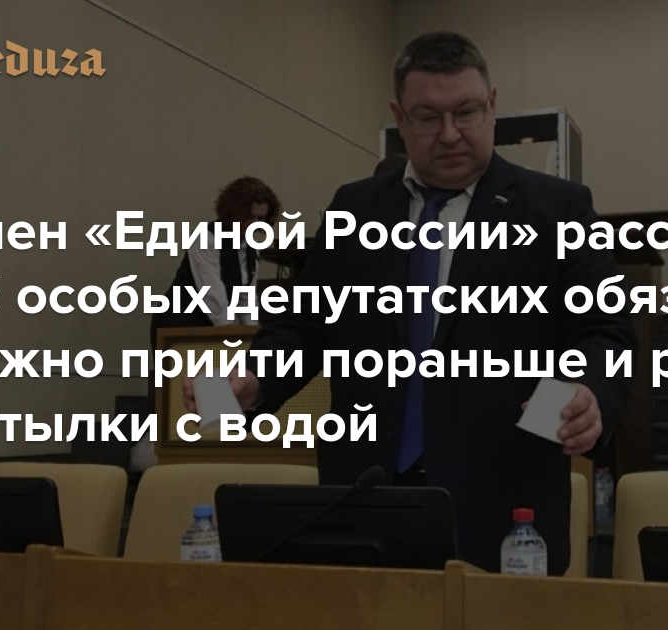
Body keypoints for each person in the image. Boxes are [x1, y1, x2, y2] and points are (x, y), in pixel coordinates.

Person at [183, 31, 636, 575]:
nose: (450, 134)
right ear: (399, 117)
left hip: (503, 508)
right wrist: (253, 378)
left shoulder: (555, 208)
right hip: (365, 497)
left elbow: (604, 331)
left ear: (492, 105)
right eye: (427, 117)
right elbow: (303, 326)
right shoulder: (354, 208)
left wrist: (590, 391)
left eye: (466, 112)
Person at [149, 176, 283, 348]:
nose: (255, 225)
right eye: (250, 217)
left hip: (211, 328)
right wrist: (229, 333)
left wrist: (253, 337)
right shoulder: (207, 239)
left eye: (260, 218)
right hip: (178, 326)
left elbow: (246, 298)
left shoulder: (251, 249)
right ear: (234, 212)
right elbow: (212, 293)